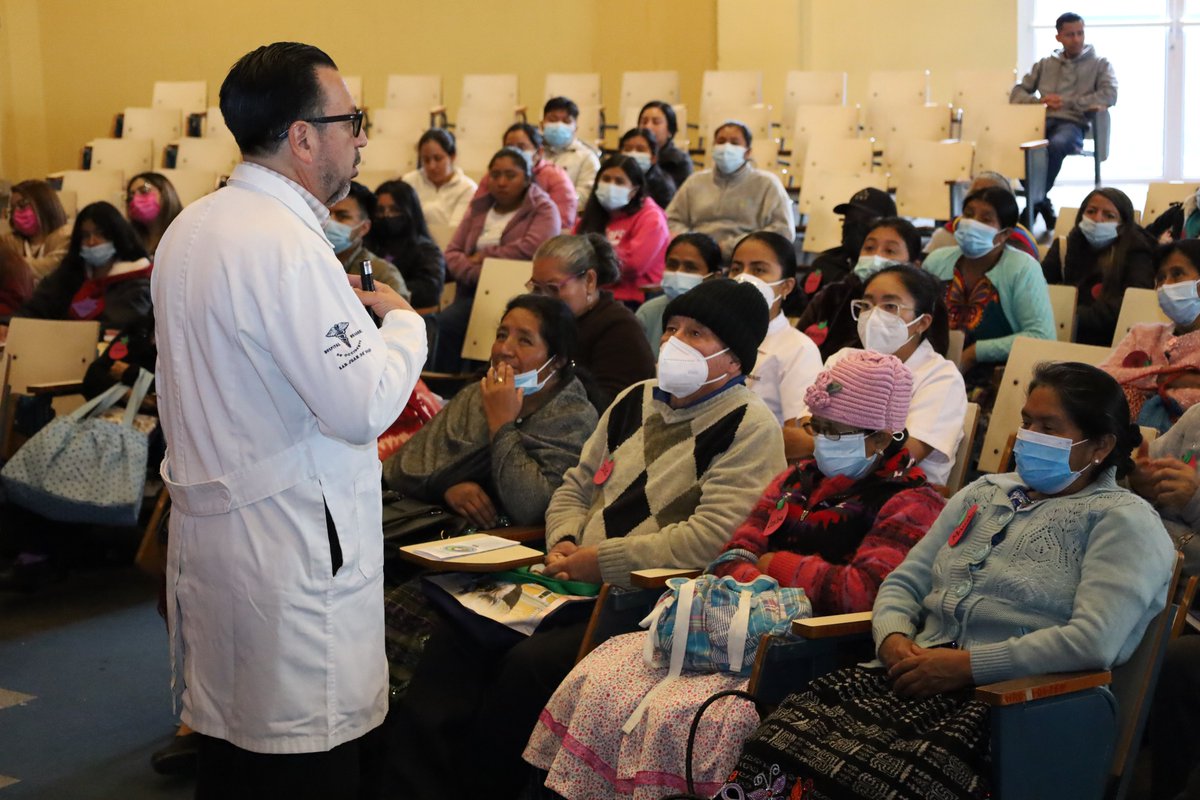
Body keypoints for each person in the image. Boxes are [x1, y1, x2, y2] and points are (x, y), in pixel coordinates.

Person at [388, 277, 787, 800]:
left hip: (645, 600)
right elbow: (575, 486)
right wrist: (564, 538)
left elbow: (710, 541)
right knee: (455, 637)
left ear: (734, 358)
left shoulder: (749, 426)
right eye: (672, 328)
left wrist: (600, 561)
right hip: (566, 579)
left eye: (696, 334)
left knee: (527, 666)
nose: (675, 342)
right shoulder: (635, 399)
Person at [151, 42, 427, 798]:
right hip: (291, 548)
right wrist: (405, 325)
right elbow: (362, 406)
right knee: (301, 760)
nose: (361, 139)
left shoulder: (193, 226)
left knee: (233, 755)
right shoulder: (284, 245)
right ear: (303, 137)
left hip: (222, 539)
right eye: (351, 121)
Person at [719, 361, 1174, 800]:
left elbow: (1093, 641)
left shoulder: (1123, 521)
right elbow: (903, 583)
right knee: (777, 740)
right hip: (912, 678)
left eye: (1049, 428)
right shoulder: (983, 493)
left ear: (1099, 446)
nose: (1029, 436)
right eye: (1026, 422)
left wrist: (966, 667)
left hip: (1011, 710)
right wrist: (892, 638)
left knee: (888, 782)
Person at [523, 351, 946, 800]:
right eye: (816, 427)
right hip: (731, 633)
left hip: (809, 651)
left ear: (880, 437)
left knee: (690, 716)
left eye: (835, 431)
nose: (821, 441)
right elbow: (731, 556)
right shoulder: (796, 480)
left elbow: (861, 593)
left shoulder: (911, 502)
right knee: (604, 676)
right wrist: (777, 578)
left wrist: (773, 565)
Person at [380, 294, 598, 697]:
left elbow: (533, 505)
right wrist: (450, 485)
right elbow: (399, 469)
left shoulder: (572, 416)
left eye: (524, 340)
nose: (505, 349)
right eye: (502, 334)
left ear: (557, 360)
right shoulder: (473, 396)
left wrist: (502, 424)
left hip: (506, 555)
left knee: (409, 615)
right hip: (430, 536)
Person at [813, 266, 967, 486]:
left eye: (890, 306)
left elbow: (903, 457)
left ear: (922, 322)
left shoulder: (941, 377)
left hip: (901, 493)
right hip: (828, 485)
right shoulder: (842, 359)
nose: (874, 315)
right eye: (867, 305)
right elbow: (809, 427)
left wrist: (830, 445)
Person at [434, 147, 561, 372]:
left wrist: (483, 257)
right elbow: (452, 252)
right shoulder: (480, 207)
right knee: (441, 324)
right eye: (495, 175)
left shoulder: (543, 208)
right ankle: (447, 385)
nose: (501, 182)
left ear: (527, 178)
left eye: (510, 175)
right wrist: (478, 273)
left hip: (518, 292)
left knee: (455, 323)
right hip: (472, 291)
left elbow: (531, 249)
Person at [923, 186, 1055, 394]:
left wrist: (975, 352)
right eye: (968, 215)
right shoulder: (937, 260)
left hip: (1000, 379)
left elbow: (1041, 337)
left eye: (985, 219)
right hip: (934, 373)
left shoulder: (1022, 268)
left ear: (1005, 234)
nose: (972, 223)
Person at [1011, 11, 1118, 230]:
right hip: (1041, 122)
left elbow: (1110, 95)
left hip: (1073, 123)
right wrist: (1039, 101)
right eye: (1070, 34)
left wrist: (1068, 102)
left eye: (1080, 33)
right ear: (1058, 37)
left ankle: (1033, 204)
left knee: (1057, 144)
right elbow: (1017, 93)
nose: (1076, 39)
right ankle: (1041, 202)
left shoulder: (1100, 64)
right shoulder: (1044, 64)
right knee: (1021, 149)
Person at [526, 234, 655, 412]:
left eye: (553, 288)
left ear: (589, 281)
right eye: (536, 288)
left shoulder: (620, 329)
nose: (542, 298)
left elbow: (610, 408)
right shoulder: (541, 320)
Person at [728, 231, 822, 460]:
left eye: (759, 270)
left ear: (786, 286)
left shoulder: (798, 349)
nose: (743, 277)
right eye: (737, 268)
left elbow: (800, 440)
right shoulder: (713, 335)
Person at [1101, 240, 1200, 432]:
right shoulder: (1142, 334)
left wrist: (1139, 384)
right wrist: (1166, 377)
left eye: (1177, 274)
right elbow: (1104, 377)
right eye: (1160, 278)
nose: (1165, 285)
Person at [1041, 187, 1156, 346]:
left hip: (1113, 342)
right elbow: (1037, 289)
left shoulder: (1137, 252)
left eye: (1109, 216)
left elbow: (1133, 302)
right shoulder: (1064, 247)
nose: (1097, 219)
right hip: (1062, 338)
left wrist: (1072, 315)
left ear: (1122, 224)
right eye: (1091, 211)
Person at [666, 120, 794, 261]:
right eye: (721, 141)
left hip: (747, 259)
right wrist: (697, 245)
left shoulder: (768, 184)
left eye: (734, 143)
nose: (726, 147)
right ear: (713, 148)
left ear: (748, 152)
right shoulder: (694, 182)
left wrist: (731, 247)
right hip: (697, 258)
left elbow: (783, 230)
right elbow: (671, 220)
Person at [798, 216, 923, 360]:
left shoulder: (922, 304)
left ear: (914, 265)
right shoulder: (832, 295)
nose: (876, 256)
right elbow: (799, 348)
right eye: (869, 248)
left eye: (889, 251)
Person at [15, 201, 151, 330]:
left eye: (100, 234)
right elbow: (38, 307)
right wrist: (9, 323)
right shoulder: (71, 273)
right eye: (85, 236)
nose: (91, 242)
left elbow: (120, 322)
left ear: (117, 236)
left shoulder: (137, 280)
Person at [574, 154, 669, 306]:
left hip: (632, 298)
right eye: (606, 179)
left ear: (634, 190)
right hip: (589, 293)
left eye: (619, 181)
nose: (611, 186)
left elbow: (634, 266)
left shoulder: (651, 217)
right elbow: (572, 254)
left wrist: (590, 260)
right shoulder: (593, 214)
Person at [795, 187, 897, 310]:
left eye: (865, 220)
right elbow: (800, 309)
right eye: (849, 218)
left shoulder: (894, 274)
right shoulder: (825, 264)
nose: (852, 225)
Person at [474, 122, 577, 229]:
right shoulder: (492, 177)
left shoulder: (555, 177)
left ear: (539, 152)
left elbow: (562, 224)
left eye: (521, 147)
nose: (514, 153)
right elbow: (474, 214)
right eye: (509, 148)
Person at [637, 232, 722, 357]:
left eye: (690, 267)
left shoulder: (724, 317)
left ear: (714, 276)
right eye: (672, 265)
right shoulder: (649, 312)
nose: (678, 272)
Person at [924, 171, 1040, 260]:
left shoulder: (1021, 250)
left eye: (986, 219)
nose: (982, 199)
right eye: (975, 195)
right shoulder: (945, 236)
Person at [368, 179, 445, 310]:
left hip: (412, 313)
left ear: (409, 211)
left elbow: (430, 289)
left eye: (394, 210)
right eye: (380, 210)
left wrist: (386, 290)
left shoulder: (426, 249)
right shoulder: (369, 244)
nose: (386, 215)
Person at [327, 180, 409, 297]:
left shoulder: (383, 275)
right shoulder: (311, 262)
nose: (329, 222)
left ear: (364, 228)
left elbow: (399, 309)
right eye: (326, 214)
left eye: (342, 216)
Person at [402, 128, 478, 229]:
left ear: (452, 156)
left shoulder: (467, 188)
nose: (431, 166)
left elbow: (456, 230)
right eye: (426, 160)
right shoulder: (409, 182)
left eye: (438, 159)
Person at [0, 179, 71, 281]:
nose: (16, 213)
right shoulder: (8, 241)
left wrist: (10, 265)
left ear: (44, 204)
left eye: (22, 205)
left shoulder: (66, 236)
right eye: (12, 209)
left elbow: (54, 269)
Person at [542, 96, 601, 212]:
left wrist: (549, 206)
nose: (559, 125)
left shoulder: (587, 157)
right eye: (552, 120)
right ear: (542, 124)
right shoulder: (534, 152)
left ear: (575, 128)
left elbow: (585, 197)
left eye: (566, 121)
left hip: (568, 218)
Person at [125, 172, 183, 257]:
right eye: (131, 196)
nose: (135, 199)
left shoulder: (183, 233)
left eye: (144, 191)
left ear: (165, 193)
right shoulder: (130, 239)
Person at [638, 101, 693, 190]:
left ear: (670, 130)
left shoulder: (679, 161)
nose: (648, 127)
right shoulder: (631, 155)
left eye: (656, 122)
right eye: (644, 122)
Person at [618, 127, 677, 209]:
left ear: (653, 158)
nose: (633, 153)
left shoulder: (663, 188)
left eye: (640, 150)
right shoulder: (614, 179)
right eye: (627, 149)